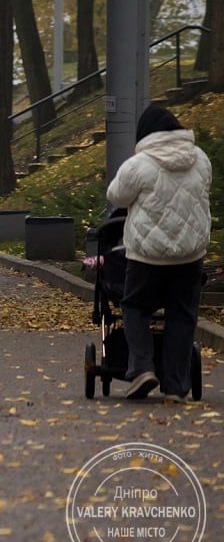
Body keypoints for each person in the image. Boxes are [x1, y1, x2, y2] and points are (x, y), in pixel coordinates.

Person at [106, 105, 212, 401]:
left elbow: (116, 196)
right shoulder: (201, 159)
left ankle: (142, 368)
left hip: (146, 257)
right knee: (182, 315)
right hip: (189, 256)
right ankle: (175, 387)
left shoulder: (138, 164)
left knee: (134, 307)